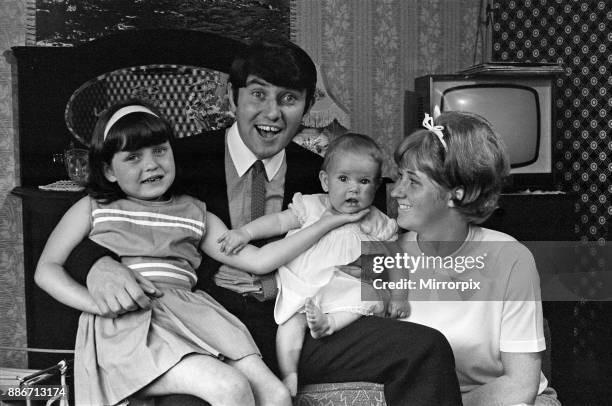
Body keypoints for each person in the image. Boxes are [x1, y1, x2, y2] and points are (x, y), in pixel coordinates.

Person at [64, 40, 462, 406]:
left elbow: (371, 236)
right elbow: (106, 211)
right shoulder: (174, 161)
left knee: (425, 349)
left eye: (289, 99)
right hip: (206, 328)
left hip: (303, 321)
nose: (272, 113)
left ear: (306, 109)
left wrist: (376, 289)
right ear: (231, 97)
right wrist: (97, 265)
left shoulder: (328, 174)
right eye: (258, 94)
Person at [35, 101, 367, 406]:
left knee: (277, 395)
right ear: (108, 170)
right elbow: (47, 269)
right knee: (230, 387)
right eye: (133, 157)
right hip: (133, 328)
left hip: (196, 318)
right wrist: (97, 305)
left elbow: (259, 260)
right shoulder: (93, 208)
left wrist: (327, 221)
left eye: (160, 151)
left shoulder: (196, 213)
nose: (151, 165)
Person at [391, 111, 561, 406]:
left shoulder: (512, 258)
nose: (396, 191)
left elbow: (520, 385)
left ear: (458, 192)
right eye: (399, 177)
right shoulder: (381, 254)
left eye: (413, 182)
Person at [218, 133, 408, 395]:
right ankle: (289, 375)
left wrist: (399, 296)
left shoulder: (374, 219)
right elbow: (277, 222)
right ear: (325, 181)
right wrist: (245, 233)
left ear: (375, 188)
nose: (353, 188)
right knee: (289, 325)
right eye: (343, 179)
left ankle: (328, 323)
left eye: (364, 181)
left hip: (343, 285)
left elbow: (395, 259)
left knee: (364, 297)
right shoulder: (311, 205)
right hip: (303, 285)